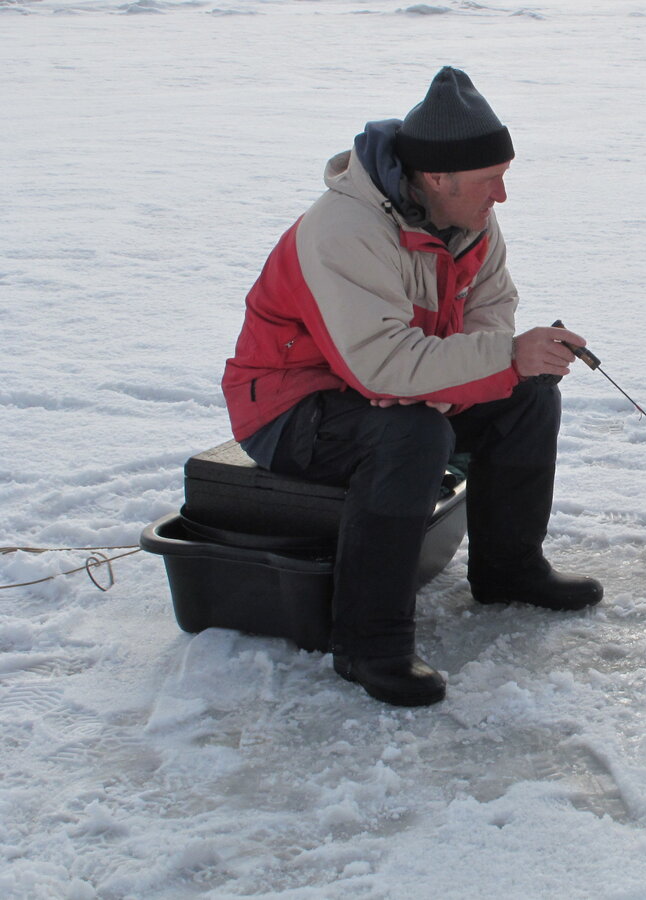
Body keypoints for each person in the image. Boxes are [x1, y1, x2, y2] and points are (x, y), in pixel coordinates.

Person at [222, 67, 602, 708]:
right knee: (413, 432)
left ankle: (508, 569)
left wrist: (504, 364)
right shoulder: (344, 230)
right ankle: (368, 643)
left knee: (528, 390)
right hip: (286, 408)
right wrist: (485, 364)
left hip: (390, 382)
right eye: (491, 180)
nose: (502, 196)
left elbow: (490, 316)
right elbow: (378, 364)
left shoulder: (474, 222)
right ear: (436, 178)